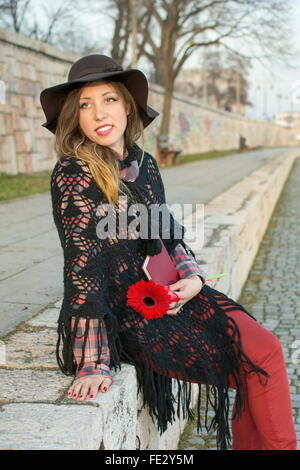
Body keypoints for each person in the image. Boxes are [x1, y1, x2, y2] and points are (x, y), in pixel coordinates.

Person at [40, 54, 297, 450]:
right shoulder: (75, 173)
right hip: (127, 312)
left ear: (127, 105)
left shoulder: (145, 165)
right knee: (252, 364)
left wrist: (194, 281)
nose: (98, 113)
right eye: (85, 105)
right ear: (75, 116)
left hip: (173, 292)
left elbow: (169, 237)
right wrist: (92, 360)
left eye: (108, 99)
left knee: (266, 350)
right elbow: (82, 264)